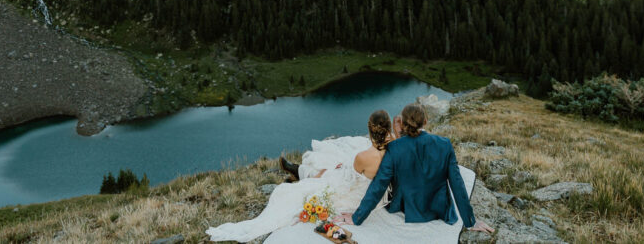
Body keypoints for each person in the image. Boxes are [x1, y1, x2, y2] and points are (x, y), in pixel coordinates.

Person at [206, 110, 395, 242]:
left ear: (370, 130)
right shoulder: (394, 145)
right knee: (330, 168)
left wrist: (335, 171)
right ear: (387, 130)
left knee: (316, 178)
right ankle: (299, 171)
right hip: (380, 193)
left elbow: (349, 181)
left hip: (358, 193)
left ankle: (298, 172)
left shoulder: (363, 157)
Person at [338, 103, 492, 233]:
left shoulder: (394, 147)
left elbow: (378, 185)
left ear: (403, 124)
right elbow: (457, 184)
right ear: (425, 121)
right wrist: (470, 221)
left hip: (406, 206)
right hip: (437, 208)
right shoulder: (445, 144)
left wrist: (356, 217)